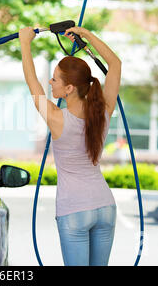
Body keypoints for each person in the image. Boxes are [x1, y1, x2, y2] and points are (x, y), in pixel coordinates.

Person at [19, 26, 122, 266]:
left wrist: (25, 43)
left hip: (75, 210)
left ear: (69, 88)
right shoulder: (104, 111)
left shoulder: (57, 118)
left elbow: (31, 82)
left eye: (55, 78)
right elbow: (115, 65)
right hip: (105, 206)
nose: (50, 82)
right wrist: (88, 35)